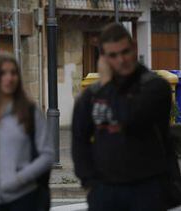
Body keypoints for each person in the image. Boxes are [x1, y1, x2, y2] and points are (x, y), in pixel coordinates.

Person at [72, 23, 176, 211]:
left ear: (134, 47)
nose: (121, 60)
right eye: (112, 55)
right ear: (103, 58)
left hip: (147, 188)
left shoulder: (154, 87)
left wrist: (107, 85)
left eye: (125, 52)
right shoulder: (91, 96)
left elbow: (130, 119)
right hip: (105, 190)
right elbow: (79, 139)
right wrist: (89, 182)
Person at [0, 53, 54, 211]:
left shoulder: (29, 112)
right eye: (3, 73)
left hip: (24, 198)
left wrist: (20, 178)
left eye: (13, 73)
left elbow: (47, 155)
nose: (9, 78)